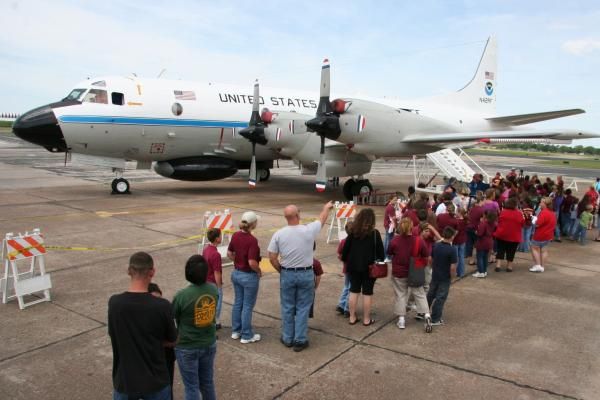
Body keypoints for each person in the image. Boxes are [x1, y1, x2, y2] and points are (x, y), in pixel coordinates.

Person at [108, 252, 177, 400]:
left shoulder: (114, 303)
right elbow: (172, 340)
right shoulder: (162, 306)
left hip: (125, 381)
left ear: (128, 271)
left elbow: (114, 333)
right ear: (152, 272)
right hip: (156, 381)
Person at [268, 201, 333, 352]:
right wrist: (325, 208)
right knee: (303, 307)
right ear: (298, 215)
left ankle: (287, 337)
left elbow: (272, 257)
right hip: (305, 273)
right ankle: (300, 339)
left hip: (287, 273)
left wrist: (282, 271)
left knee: (287, 307)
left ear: (286, 217)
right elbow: (322, 219)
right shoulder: (308, 230)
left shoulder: (279, 234)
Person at [172, 255, 218, 400]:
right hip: (208, 343)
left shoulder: (182, 296)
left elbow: (173, 316)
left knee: (191, 386)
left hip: (187, 346)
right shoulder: (213, 290)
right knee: (207, 383)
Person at [341, 208, 385, 327]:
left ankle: (352, 317)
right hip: (369, 268)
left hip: (353, 267)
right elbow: (381, 254)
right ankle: (366, 319)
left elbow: (345, 252)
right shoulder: (375, 234)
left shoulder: (352, 233)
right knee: (367, 293)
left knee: (353, 291)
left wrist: (346, 260)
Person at [387, 217, 432, 331]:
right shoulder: (418, 241)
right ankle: (426, 315)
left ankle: (401, 319)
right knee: (420, 293)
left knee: (401, 295)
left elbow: (389, 252)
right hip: (414, 272)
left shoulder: (395, 240)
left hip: (399, 273)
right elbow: (426, 256)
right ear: (412, 228)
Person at [228, 211, 262, 344]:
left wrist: (237, 261)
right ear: (253, 224)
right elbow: (252, 262)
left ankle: (236, 331)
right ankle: (246, 335)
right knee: (247, 306)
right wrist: (258, 271)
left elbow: (229, 253)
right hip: (248, 276)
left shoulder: (235, 235)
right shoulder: (252, 240)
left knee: (238, 303)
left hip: (236, 273)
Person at [148, 283, 176, 400]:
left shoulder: (166, 308)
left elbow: (175, 339)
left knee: (168, 386)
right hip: (150, 358)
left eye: (159, 299)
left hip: (166, 356)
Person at [427, 226, 458, 326]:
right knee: (440, 297)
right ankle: (435, 318)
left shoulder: (436, 246)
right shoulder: (452, 250)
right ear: (452, 237)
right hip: (445, 277)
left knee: (430, 294)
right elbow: (452, 267)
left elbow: (430, 259)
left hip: (435, 274)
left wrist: (432, 268)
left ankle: (424, 311)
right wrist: (453, 276)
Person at [493, 197, 524, 272]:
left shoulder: (503, 212)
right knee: (511, 251)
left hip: (502, 234)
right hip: (514, 235)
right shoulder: (519, 214)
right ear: (515, 205)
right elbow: (522, 223)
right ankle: (509, 266)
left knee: (500, 249)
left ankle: (498, 265)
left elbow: (498, 221)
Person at [202, 228, 223, 329]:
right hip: (213, 283)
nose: (221, 237)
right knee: (216, 305)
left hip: (206, 281)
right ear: (217, 239)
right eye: (220, 235)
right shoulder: (216, 254)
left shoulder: (206, 250)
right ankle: (214, 324)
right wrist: (219, 287)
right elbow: (217, 272)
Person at [529, 197, 557, 273]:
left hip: (540, 235)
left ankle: (538, 265)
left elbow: (537, 224)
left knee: (534, 248)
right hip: (548, 235)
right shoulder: (552, 213)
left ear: (545, 204)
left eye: (541, 202)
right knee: (544, 250)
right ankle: (542, 266)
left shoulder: (544, 212)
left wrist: (534, 220)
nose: (540, 204)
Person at [335, 222, 353, 317]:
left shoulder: (343, 241)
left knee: (346, 286)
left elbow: (339, 254)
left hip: (346, 267)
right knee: (352, 288)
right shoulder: (355, 241)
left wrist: (343, 259)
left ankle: (341, 304)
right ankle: (347, 308)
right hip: (354, 268)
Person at [473, 211, 497, 278]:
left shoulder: (483, 223)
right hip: (489, 241)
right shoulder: (494, 224)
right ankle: (484, 271)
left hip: (482, 242)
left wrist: (476, 232)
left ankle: (481, 272)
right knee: (485, 257)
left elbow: (480, 234)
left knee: (479, 257)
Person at [383, 194, 398, 261]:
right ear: (390, 199)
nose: (396, 201)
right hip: (390, 226)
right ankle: (388, 256)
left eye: (396, 200)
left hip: (387, 225)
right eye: (394, 200)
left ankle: (385, 255)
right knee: (389, 241)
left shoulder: (389, 206)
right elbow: (393, 218)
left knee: (386, 240)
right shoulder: (391, 208)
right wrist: (396, 226)